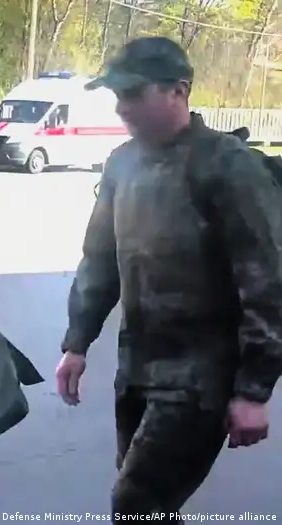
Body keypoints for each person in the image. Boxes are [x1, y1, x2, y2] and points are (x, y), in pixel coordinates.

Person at [56, 36, 281, 524]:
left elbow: (266, 283)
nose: (122, 107)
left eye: (134, 93)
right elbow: (99, 260)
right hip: (137, 370)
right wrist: (77, 342)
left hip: (201, 378)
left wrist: (253, 390)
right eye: (117, 95)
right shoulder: (122, 163)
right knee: (149, 505)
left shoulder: (227, 166)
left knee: (135, 504)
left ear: (178, 91)